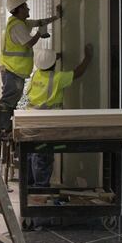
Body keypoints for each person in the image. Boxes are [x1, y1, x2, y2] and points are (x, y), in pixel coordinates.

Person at [27, 44, 93, 188]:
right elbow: (78, 73)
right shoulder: (57, 78)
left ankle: (29, 187)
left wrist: (54, 57)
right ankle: (41, 189)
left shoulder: (36, 74)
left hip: (30, 120)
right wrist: (88, 58)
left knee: (31, 153)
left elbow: (45, 63)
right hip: (46, 122)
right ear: (52, 65)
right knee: (43, 154)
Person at [0, 0, 62, 138]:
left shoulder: (20, 22)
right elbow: (29, 43)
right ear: (18, 9)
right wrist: (39, 33)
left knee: (11, 99)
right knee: (8, 100)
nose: (28, 8)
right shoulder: (18, 26)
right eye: (25, 6)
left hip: (14, 70)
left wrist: (56, 17)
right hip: (12, 70)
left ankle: (5, 128)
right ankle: (3, 130)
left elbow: (39, 22)